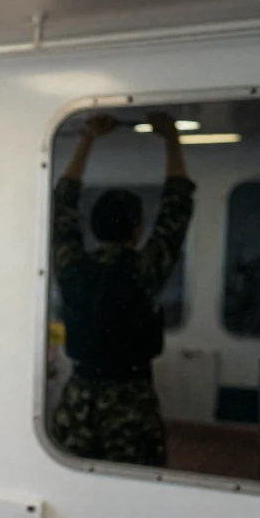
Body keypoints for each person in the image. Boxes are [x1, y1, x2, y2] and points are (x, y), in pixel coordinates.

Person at [49, 112, 195, 467]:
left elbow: (62, 206)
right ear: (137, 229)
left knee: (71, 484)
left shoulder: (72, 265)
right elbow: (176, 207)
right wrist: (171, 136)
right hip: (130, 402)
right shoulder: (146, 269)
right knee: (136, 487)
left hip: (78, 399)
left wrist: (88, 138)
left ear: (95, 227)